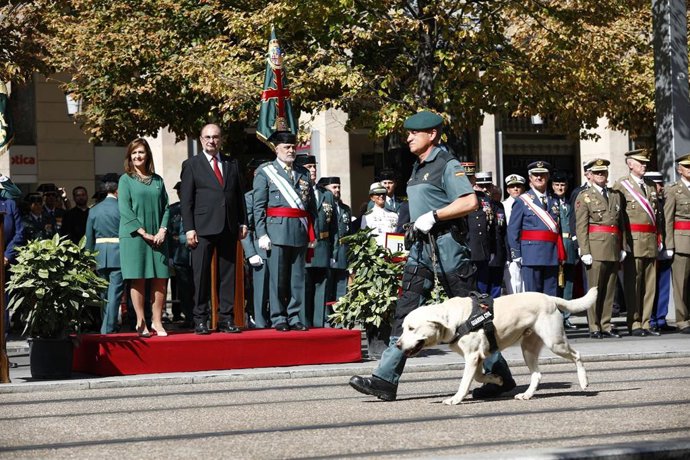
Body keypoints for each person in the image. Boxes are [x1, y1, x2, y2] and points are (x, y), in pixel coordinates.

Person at [349, 110, 515, 402]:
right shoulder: (418, 166)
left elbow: (470, 200)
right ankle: (385, 379)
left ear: (432, 134)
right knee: (406, 310)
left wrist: (435, 216)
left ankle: (500, 376)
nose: (409, 137)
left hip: (448, 247)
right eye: (409, 133)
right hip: (421, 248)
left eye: (414, 133)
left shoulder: (447, 165)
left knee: (474, 317)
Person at [180, 123, 249, 335]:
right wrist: (189, 228)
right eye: (207, 137)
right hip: (202, 228)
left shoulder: (231, 164)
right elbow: (186, 200)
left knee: (228, 275)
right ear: (201, 140)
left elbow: (239, 196)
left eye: (216, 137)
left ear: (221, 139)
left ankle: (226, 318)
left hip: (228, 226)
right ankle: (200, 318)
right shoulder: (191, 164)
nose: (212, 141)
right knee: (200, 277)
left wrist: (243, 221)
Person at [253, 130, 315, 332]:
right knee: (278, 279)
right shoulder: (266, 171)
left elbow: (310, 205)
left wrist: (312, 232)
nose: (291, 150)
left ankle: (295, 316)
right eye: (287, 147)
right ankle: (279, 317)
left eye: (293, 147)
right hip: (276, 232)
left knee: (298, 279)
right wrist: (261, 233)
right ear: (277, 149)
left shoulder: (303, 172)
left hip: (299, 231)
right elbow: (258, 205)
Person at [118, 138, 170, 338]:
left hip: (158, 237)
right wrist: (143, 232)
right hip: (135, 237)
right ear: (129, 157)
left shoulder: (158, 180)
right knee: (138, 278)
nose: (138, 156)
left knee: (160, 278)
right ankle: (141, 322)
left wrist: (162, 230)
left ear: (147, 154)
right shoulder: (125, 180)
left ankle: (157, 321)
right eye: (134, 153)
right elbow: (125, 209)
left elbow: (166, 207)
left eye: (141, 152)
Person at [613, 148, 661, 337]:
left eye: (645, 163)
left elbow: (659, 217)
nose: (644, 165)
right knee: (634, 284)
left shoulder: (650, 185)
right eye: (640, 162)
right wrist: (622, 243)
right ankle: (634, 323)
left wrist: (660, 239)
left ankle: (646, 322)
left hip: (650, 240)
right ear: (630, 164)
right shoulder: (622, 185)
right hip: (633, 241)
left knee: (650, 286)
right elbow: (618, 218)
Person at [574, 159, 624, 339]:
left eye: (603, 173)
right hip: (595, 248)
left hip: (612, 246)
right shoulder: (584, 196)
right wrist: (585, 250)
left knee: (610, 289)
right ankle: (594, 326)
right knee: (595, 289)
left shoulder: (615, 195)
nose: (601, 176)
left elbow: (620, 224)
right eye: (597, 173)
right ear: (591, 176)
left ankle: (606, 324)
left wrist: (622, 246)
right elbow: (581, 226)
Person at [507, 161, 563, 297]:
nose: (539, 178)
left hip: (551, 254)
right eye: (535, 175)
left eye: (542, 175)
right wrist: (516, 254)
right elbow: (513, 229)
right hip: (531, 254)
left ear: (548, 177)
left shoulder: (555, 200)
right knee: (533, 297)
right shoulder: (522, 201)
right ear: (530, 178)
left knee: (551, 296)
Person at [296, 155, 337, 327]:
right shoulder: (295, 191)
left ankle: (318, 325)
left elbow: (333, 226)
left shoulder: (326, 194)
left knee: (321, 288)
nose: (312, 170)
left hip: (322, 247)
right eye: (308, 166)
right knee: (304, 288)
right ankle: (304, 324)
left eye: (314, 166)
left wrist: (334, 252)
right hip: (304, 247)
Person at [85, 174, 123, 334]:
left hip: (99, 255)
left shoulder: (94, 210)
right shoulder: (122, 207)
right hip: (118, 254)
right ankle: (108, 327)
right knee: (114, 293)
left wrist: (89, 257)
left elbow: (89, 237)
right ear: (117, 190)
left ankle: (106, 325)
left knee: (104, 294)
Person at [663, 153, 690, 334]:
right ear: (680, 169)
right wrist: (670, 245)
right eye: (687, 167)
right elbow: (668, 219)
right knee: (681, 283)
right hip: (682, 240)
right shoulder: (673, 190)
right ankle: (683, 320)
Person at [645, 171, 675, 333]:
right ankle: (649, 318)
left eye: (662, 184)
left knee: (663, 284)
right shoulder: (646, 201)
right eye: (658, 184)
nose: (661, 187)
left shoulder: (664, 201)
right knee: (649, 286)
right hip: (649, 246)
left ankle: (661, 318)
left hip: (662, 246)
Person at [551, 171, 578, 329]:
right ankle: (555, 316)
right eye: (557, 185)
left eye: (562, 185)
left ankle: (566, 316)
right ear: (552, 186)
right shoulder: (549, 202)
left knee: (568, 283)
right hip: (556, 246)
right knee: (555, 283)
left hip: (569, 246)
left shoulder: (570, 203)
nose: (560, 188)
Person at [319, 177, 352, 303]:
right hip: (329, 252)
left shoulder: (345, 208)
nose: (337, 190)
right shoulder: (323, 206)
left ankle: (340, 319)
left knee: (342, 290)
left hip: (343, 253)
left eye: (339, 187)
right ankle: (327, 318)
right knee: (327, 289)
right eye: (334, 187)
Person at [168, 181, 193, 327]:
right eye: (179, 192)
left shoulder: (196, 206)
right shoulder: (173, 210)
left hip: (194, 253)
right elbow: (169, 234)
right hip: (179, 255)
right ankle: (188, 316)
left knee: (198, 287)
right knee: (183, 289)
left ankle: (200, 315)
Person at [502, 174, 526, 295]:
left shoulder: (529, 203)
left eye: (518, 186)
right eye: (512, 187)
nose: (515, 189)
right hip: (510, 248)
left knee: (526, 282)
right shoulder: (504, 206)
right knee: (513, 281)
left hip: (527, 245)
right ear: (507, 190)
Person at [361, 182, 398, 247]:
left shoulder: (394, 215)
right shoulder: (367, 217)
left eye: (383, 193)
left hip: (392, 253)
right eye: (378, 194)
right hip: (376, 254)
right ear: (372, 198)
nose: (381, 196)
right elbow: (364, 239)